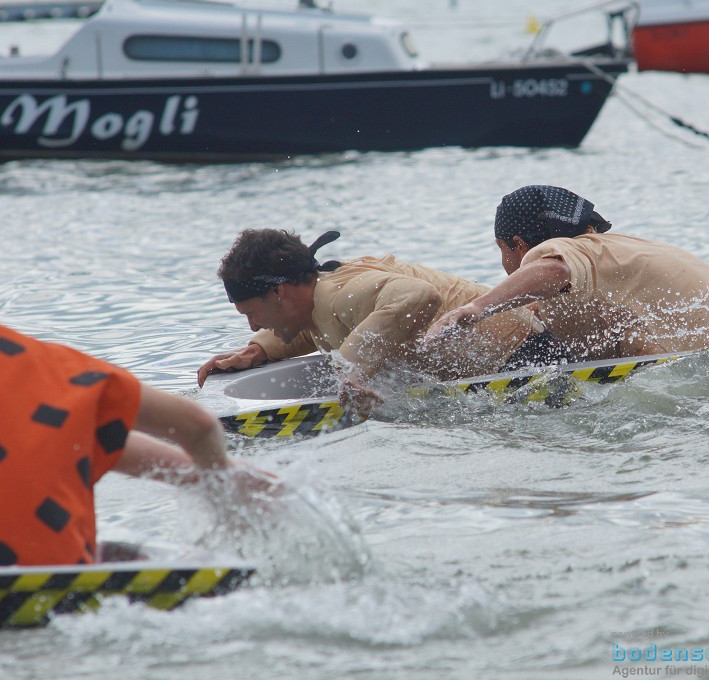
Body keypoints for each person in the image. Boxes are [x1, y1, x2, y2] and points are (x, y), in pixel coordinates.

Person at [196, 229, 564, 408]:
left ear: (279, 292)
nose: (254, 326)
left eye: (251, 314)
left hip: (532, 359)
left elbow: (419, 296)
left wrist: (351, 367)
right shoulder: (318, 301)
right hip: (513, 364)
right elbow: (313, 330)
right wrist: (256, 351)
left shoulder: (342, 293)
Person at [0, 324, 249, 567]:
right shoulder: (40, 364)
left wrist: (195, 476)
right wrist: (221, 482)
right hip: (57, 577)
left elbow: (71, 441)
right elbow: (199, 425)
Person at [425, 185, 709, 360]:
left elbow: (553, 268)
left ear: (517, 243)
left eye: (501, 249)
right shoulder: (623, 249)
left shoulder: (568, 252)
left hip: (706, 363)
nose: (504, 263)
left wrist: (475, 309)